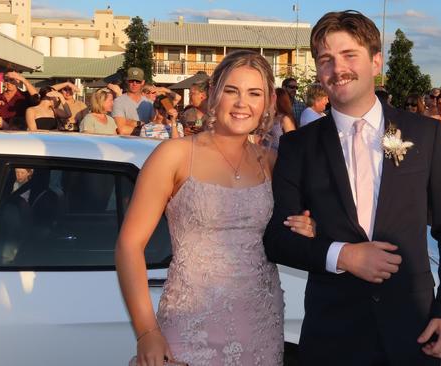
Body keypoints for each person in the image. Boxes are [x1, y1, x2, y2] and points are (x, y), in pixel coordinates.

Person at [264, 10, 441, 365]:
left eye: (349, 55)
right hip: (332, 332)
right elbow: (277, 239)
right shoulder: (299, 146)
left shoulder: (424, 134)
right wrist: (343, 255)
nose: (337, 68)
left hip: (413, 326)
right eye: (326, 59)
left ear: (376, 61)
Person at [115, 50, 317, 366]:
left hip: (261, 323)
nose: (242, 103)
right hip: (189, 322)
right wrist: (146, 332)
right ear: (213, 95)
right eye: (231, 91)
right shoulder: (174, 155)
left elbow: (291, 230)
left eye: (254, 94)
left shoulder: (272, 163)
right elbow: (129, 245)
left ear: (266, 104)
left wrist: (308, 228)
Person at [112, 67, 155, 135]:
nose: (134, 84)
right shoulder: (118, 102)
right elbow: (122, 130)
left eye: (138, 81)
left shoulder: (149, 103)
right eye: (131, 81)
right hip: (127, 143)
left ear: (143, 82)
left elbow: (155, 125)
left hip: (145, 142)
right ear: (127, 81)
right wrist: (144, 129)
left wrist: (130, 123)